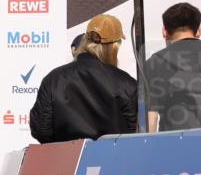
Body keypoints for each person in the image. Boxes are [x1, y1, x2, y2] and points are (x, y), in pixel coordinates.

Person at [30, 14, 137, 143]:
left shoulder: (53, 79)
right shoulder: (125, 82)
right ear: (114, 47)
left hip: (66, 159)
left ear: (85, 39)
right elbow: (135, 132)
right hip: (113, 159)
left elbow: (41, 130)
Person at [145, 3, 201, 132]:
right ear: (198, 31)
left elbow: (151, 117)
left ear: (164, 32)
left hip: (171, 144)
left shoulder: (153, 63)